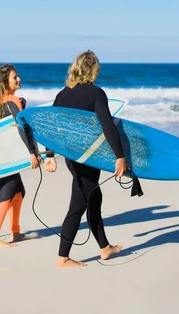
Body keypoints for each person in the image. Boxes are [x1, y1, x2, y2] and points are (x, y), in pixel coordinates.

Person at [44, 50, 129, 268]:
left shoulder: (62, 94)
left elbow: (50, 127)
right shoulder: (96, 93)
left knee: (94, 197)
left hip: (72, 157)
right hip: (90, 156)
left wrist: (50, 155)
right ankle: (63, 258)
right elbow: (107, 125)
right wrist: (120, 156)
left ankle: (104, 247)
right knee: (79, 203)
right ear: (92, 71)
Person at [0, 64, 43, 248]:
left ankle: (15, 231)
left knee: (19, 192)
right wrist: (32, 153)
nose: (18, 79)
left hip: (4, 151)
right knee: (6, 193)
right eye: (14, 77)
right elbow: (21, 128)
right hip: (8, 155)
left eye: (18, 76)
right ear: (5, 82)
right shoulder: (12, 101)